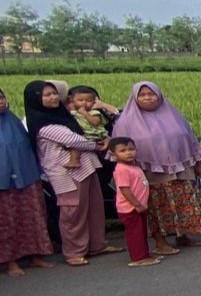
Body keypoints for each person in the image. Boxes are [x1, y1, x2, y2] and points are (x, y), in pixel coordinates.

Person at [23, 81, 118, 265]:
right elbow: (76, 140)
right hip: (66, 173)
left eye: (54, 93)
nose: (53, 98)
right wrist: (97, 144)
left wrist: (103, 137)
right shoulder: (44, 124)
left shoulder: (64, 116)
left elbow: (89, 130)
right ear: (35, 100)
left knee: (94, 208)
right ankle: (74, 251)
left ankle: (96, 245)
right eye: (47, 95)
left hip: (86, 167)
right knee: (73, 212)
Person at [112, 81, 201, 253]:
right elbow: (119, 150)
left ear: (159, 95)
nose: (148, 98)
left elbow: (191, 139)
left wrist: (199, 161)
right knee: (158, 207)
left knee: (184, 203)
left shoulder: (174, 116)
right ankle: (160, 242)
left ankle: (183, 235)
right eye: (142, 95)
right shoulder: (126, 122)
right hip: (150, 173)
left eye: (151, 94)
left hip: (181, 168)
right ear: (135, 98)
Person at [0, 86, 55, 276]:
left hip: (27, 176)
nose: (0, 102)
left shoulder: (13, 120)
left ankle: (35, 256)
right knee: (7, 223)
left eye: (1, 97)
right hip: (3, 182)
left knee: (32, 218)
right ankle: (10, 262)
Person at [108, 137, 161, 268]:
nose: (128, 153)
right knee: (135, 233)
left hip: (140, 206)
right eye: (123, 151)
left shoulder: (133, 167)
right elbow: (124, 189)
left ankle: (144, 254)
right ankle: (138, 257)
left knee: (142, 232)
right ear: (114, 155)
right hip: (130, 208)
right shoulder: (121, 169)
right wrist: (136, 204)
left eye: (131, 149)